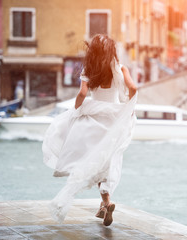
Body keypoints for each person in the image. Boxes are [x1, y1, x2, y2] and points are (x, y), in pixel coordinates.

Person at [42, 34, 137, 226]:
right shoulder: (121, 69)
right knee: (103, 164)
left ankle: (106, 204)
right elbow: (133, 88)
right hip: (113, 120)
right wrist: (128, 107)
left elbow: (83, 93)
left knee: (92, 162)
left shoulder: (89, 69)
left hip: (93, 118)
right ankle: (105, 203)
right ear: (112, 51)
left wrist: (76, 111)